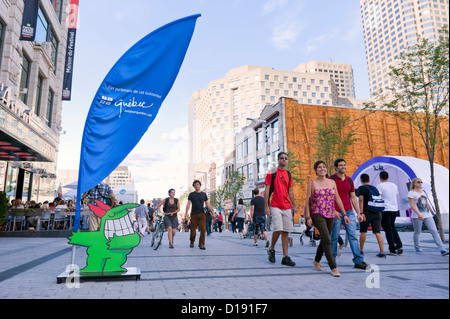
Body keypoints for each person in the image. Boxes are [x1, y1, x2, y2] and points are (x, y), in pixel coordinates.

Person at [305, 161, 349, 277]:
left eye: (324, 167)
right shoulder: (312, 183)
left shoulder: (332, 182)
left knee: (325, 239)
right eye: (319, 167)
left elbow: (337, 199)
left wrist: (344, 214)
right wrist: (308, 217)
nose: (322, 169)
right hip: (317, 213)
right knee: (327, 239)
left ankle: (316, 260)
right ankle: (333, 267)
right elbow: (308, 201)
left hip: (330, 214)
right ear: (316, 170)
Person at [329, 159, 368, 270]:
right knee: (334, 237)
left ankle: (358, 261)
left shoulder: (349, 180)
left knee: (353, 236)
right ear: (335, 167)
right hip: (335, 213)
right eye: (340, 165)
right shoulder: (330, 180)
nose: (343, 167)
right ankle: (332, 260)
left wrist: (359, 213)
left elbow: (353, 198)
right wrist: (332, 210)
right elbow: (327, 197)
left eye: (344, 165)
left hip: (349, 212)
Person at [264, 152, 298, 267]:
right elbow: (267, 190)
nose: (284, 159)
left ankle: (285, 257)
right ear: (278, 160)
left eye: (285, 158)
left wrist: (294, 204)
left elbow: (291, 190)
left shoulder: (288, 173)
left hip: (287, 206)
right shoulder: (272, 172)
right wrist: (266, 206)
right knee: (278, 228)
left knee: (286, 231)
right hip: (275, 204)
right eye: (281, 158)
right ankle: (272, 249)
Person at [408, 178, 449, 256]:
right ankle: (417, 248)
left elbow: (426, 202)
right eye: (418, 182)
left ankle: (442, 249)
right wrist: (419, 214)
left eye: (421, 182)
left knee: (434, 231)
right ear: (414, 183)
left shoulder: (423, 192)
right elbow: (412, 205)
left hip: (427, 215)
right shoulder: (411, 193)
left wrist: (432, 211)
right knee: (417, 232)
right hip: (417, 216)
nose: (420, 183)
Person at [357, 174, 386, 258]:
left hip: (367, 212)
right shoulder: (374, 188)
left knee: (363, 231)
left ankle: (361, 250)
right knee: (377, 232)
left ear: (361, 180)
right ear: (369, 179)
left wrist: (361, 213)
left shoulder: (361, 188)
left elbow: (361, 199)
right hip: (377, 212)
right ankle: (382, 251)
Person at [377, 171, 403, 255]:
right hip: (394, 209)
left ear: (380, 178)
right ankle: (399, 245)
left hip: (385, 209)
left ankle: (392, 249)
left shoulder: (380, 186)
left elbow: (379, 198)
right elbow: (396, 196)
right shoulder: (394, 185)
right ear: (388, 177)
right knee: (393, 227)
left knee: (387, 229)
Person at [185, 180, 215, 250]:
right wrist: (186, 214)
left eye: (197, 184)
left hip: (202, 214)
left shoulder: (204, 194)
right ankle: (192, 241)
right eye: (195, 185)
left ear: (200, 185)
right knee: (193, 230)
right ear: (194, 186)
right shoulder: (191, 194)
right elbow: (188, 204)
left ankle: (201, 244)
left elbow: (208, 204)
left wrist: (213, 212)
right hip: (194, 214)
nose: (196, 186)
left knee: (203, 229)